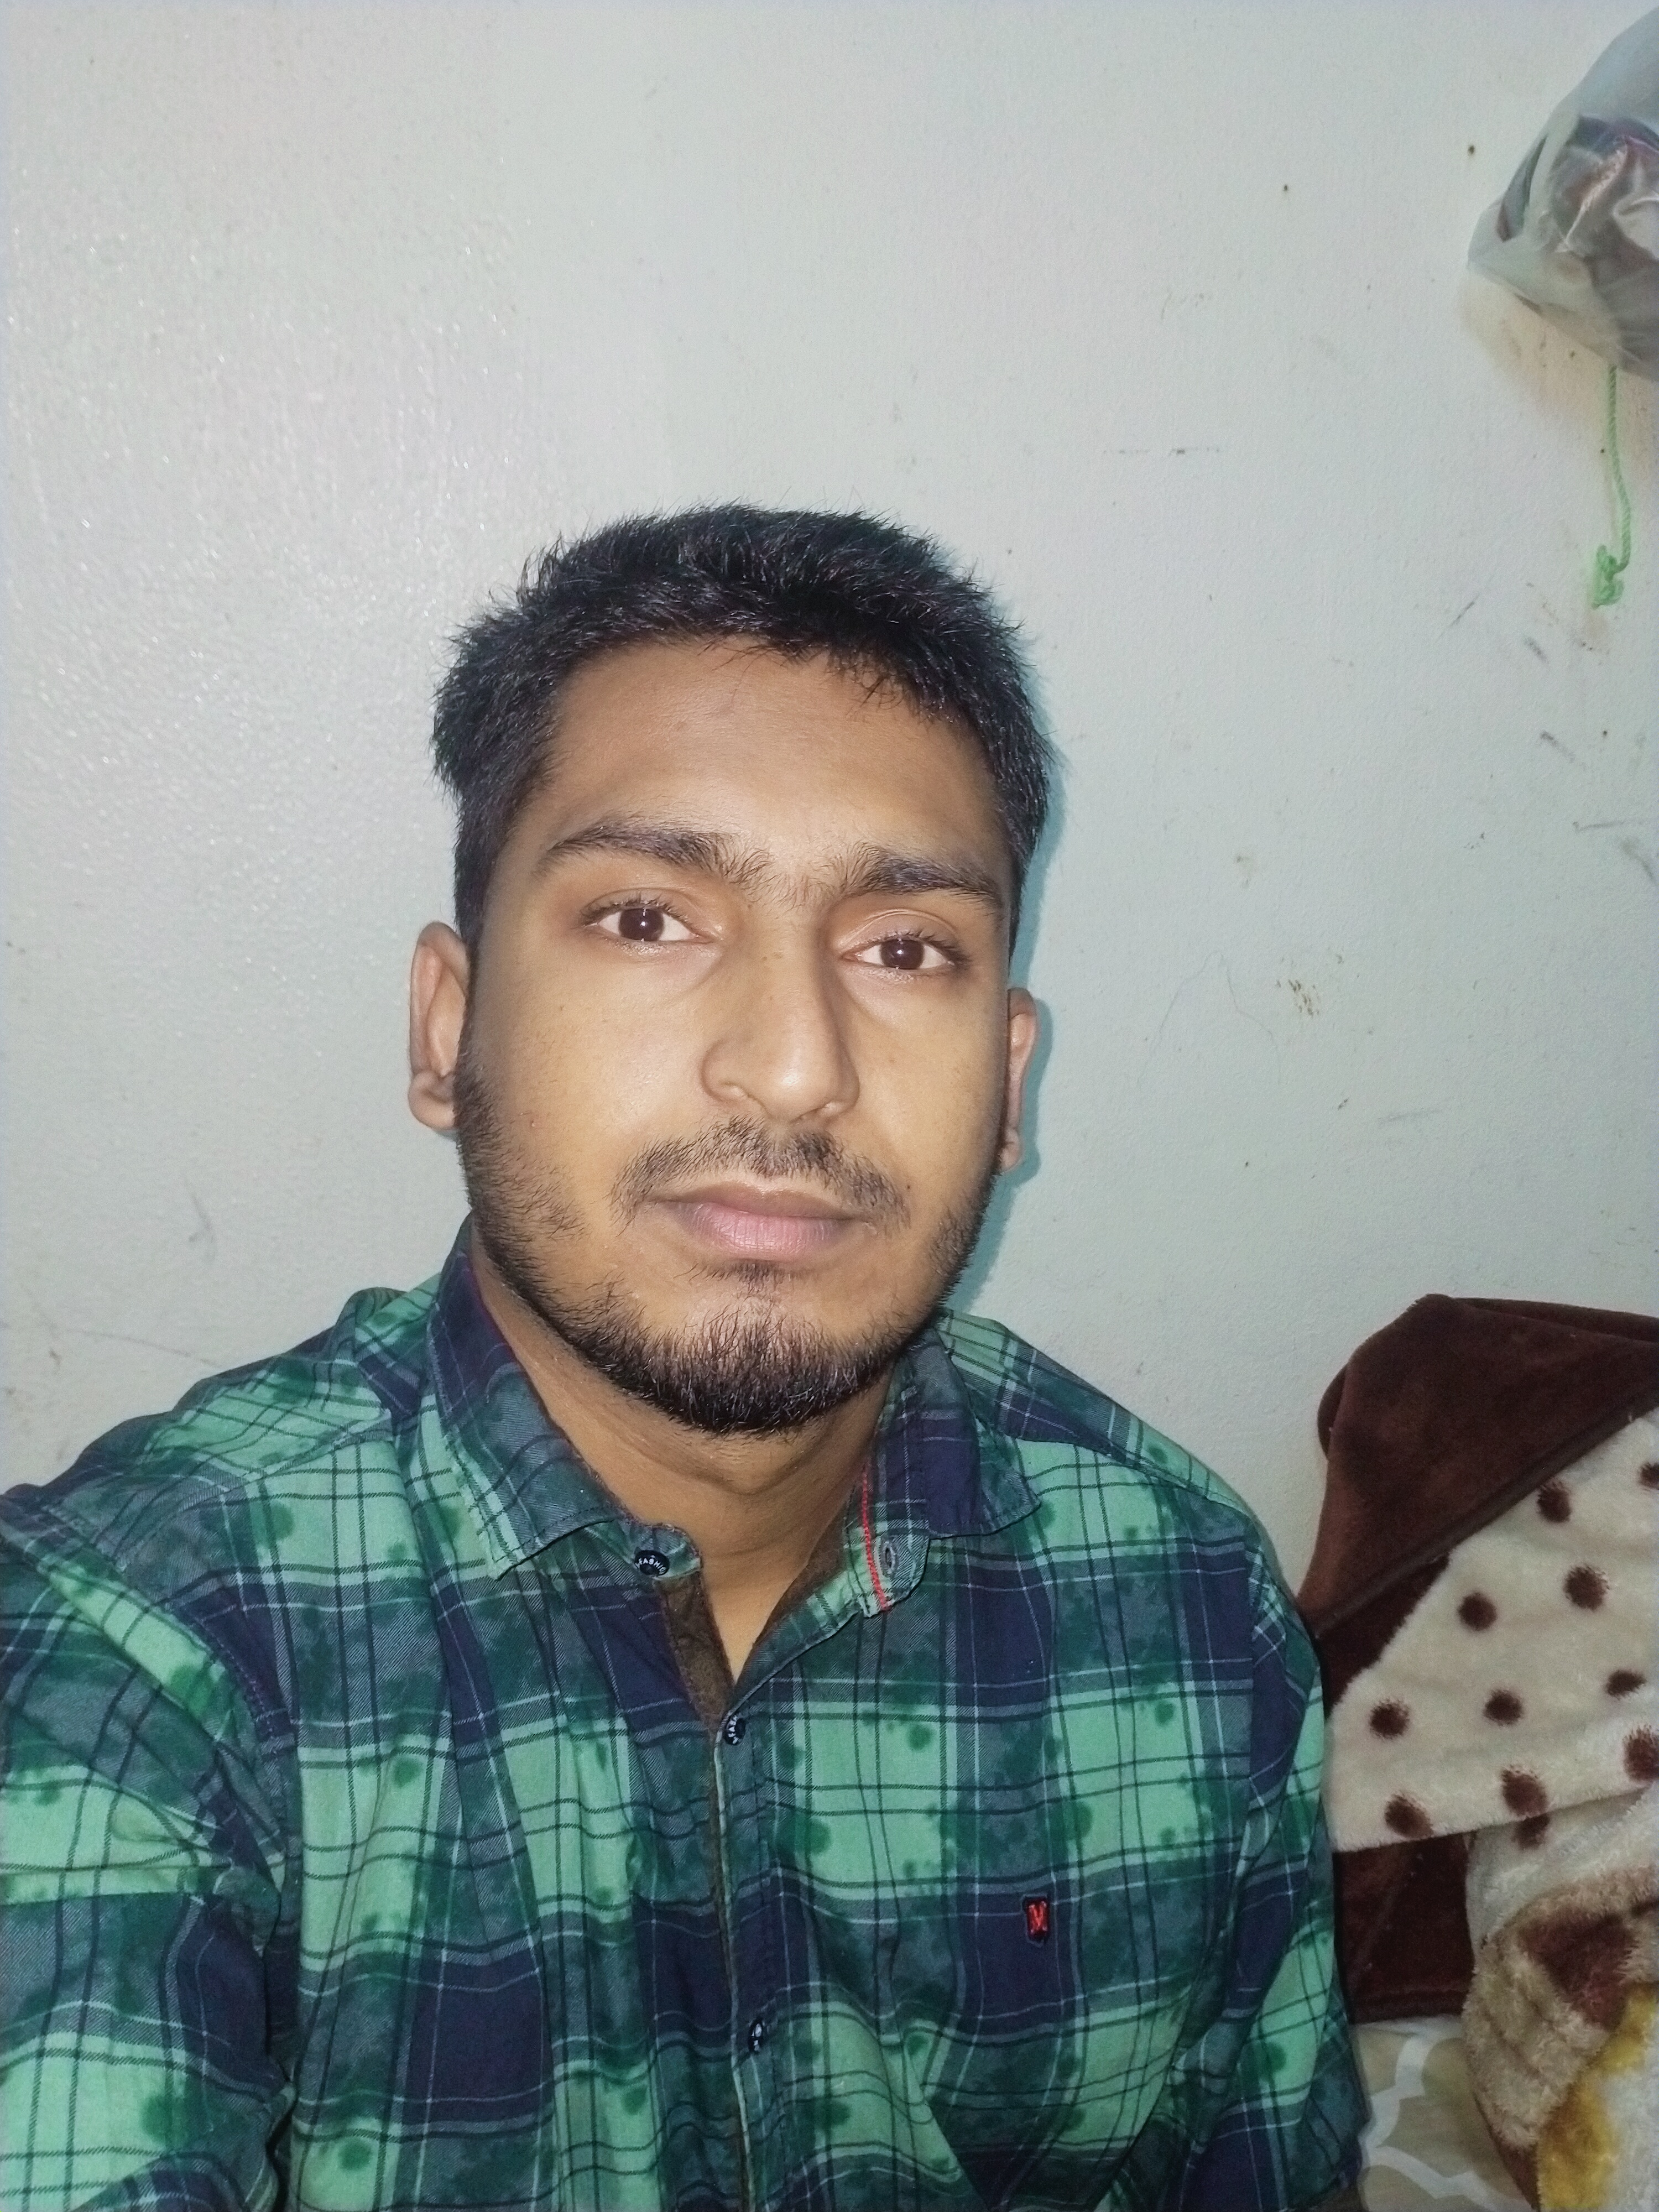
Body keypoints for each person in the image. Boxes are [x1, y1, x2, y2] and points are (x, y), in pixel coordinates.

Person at [0, 507, 1365, 2210]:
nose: (793, 1068)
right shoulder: (136, 1666)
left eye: (904, 948)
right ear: (448, 1028)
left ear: (1009, 1083)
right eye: (648, 918)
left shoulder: (1176, 1600)